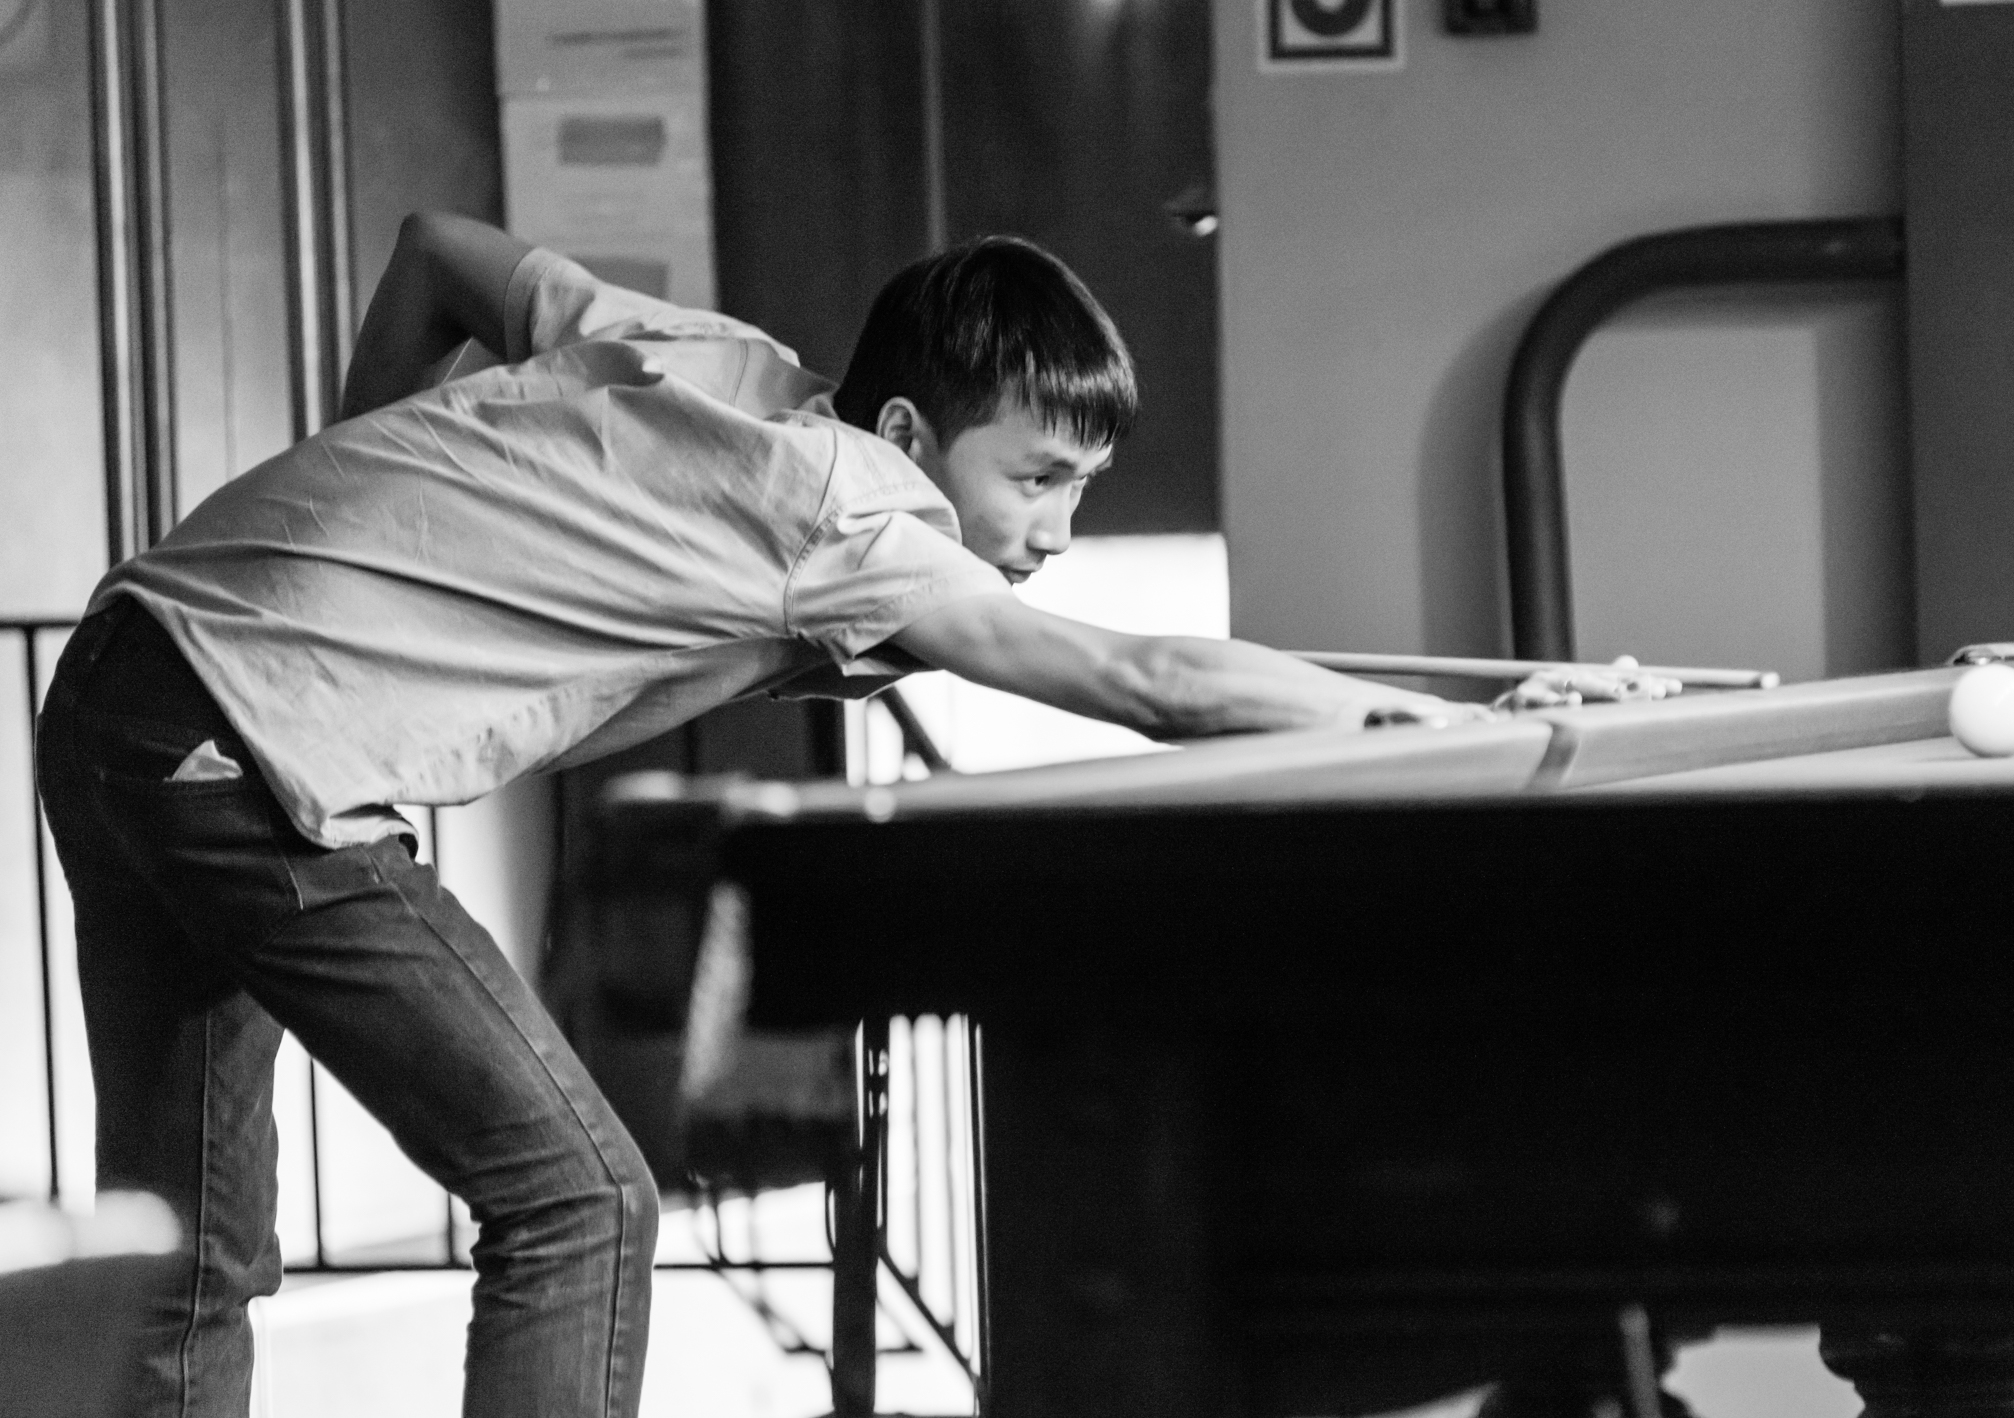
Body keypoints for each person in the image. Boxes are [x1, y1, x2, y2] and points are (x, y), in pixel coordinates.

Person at [33, 213, 1480, 1418]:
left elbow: (435, 257)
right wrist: (1406, 720)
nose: (1055, 530)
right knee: (582, 1198)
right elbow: (1145, 681)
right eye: (1036, 478)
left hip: (126, 681)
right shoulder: (857, 514)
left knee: (193, 1251)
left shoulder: (715, 358)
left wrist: (363, 505)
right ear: (908, 429)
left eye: (1081, 488)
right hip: (241, 748)